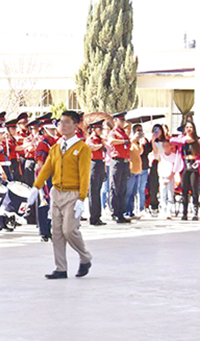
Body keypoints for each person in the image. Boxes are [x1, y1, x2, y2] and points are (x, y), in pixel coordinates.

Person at [31, 110, 93, 279]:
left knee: (69, 230)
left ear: (75, 125)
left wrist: (81, 198)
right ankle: (60, 268)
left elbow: (84, 174)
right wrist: (36, 187)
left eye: (67, 122)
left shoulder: (82, 148)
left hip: (73, 194)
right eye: (60, 123)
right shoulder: (56, 148)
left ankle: (85, 256)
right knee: (56, 232)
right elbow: (47, 168)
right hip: (56, 192)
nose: (62, 126)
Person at [170, 121, 200, 220]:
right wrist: (185, 140)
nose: (189, 129)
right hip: (184, 165)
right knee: (184, 189)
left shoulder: (199, 140)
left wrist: (198, 162)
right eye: (187, 127)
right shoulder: (182, 138)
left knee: (194, 189)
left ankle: (195, 212)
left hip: (194, 165)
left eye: (191, 127)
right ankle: (184, 212)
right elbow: (171, 140)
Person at [108, 112, 131, 223]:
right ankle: (115, 212)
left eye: (123, 121)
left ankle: (121, 212)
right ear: (115, 121)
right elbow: (111, 141)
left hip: (125, 162)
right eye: (120, 121)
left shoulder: (123, 132)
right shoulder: (114, 132)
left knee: (122, 188)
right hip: (117, 161)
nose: (122, 123)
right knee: (115, 188)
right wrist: (123, 141)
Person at [86, 120, 107, 225]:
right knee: (93, 192)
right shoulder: (91, 139)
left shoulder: (100, 139)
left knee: (97, 191)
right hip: (93, 164)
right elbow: (90, 147)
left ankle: (98, 216)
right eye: (99, 129)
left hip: (100, 164)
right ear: (94, 129)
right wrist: (100, 146)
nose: (101, 131)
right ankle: (93, 217)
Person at [153, 140, 178, 219]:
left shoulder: (174, 156)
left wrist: (170, 177)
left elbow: (175, 168)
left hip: (170, 177)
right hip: (163, 177)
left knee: (170, 194)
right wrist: (162, 177)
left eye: (168, 146)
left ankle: (169, 211)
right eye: (165, 146)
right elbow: (159, 166)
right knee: (162, 195)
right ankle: (163, 211)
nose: (166, 148)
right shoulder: (161, 156)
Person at [125, 123, 143, 219]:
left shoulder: (138, 143)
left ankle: (131, 211)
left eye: (141, 130)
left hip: (138, 169)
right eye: (138, 130)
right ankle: (126, 211)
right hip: (131, 169)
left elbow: (140, 152)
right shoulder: (130, 141)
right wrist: (133, 138)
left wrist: (139, 141)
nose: (140, 132)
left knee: (134, 193)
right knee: (128, 192)